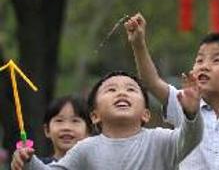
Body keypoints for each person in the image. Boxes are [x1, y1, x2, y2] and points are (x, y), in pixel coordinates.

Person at [126, 0, 219, 170]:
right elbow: (151, 81)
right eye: (199, 60)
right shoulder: (185, 104)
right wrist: (138, 44)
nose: (204, 65)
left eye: (216, 60)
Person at [12, 71, 202, 169]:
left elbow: (191, 138)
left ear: (146, 113)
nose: (121, 92)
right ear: (95, 116)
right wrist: (28, 161)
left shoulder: (161, 141)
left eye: (131, 89)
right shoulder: (86, 149)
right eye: (111, 90)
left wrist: (192, 114)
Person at [40, 96, 91, 163]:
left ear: (88, 130)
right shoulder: (37, 166)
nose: (66, 127)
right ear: (47, 130)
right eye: (59, 120)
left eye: (75, 121)